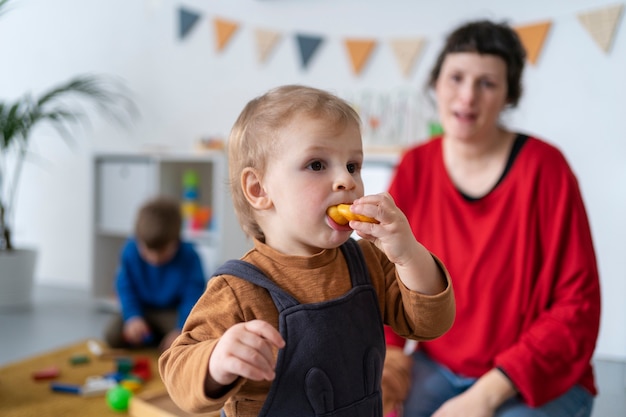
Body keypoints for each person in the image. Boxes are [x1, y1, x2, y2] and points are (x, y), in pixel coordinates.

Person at [158, 85, 456, 417]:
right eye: (317, 165)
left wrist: (408, 254)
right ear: (259, 190)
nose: (346, 179)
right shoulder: (238, 290)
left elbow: (432, 323)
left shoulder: (368, 262)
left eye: (353, 165)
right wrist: (216, 361)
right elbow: (177, 370)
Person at [382, 20, 601, 417]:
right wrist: (387, 362)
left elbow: (578, 306)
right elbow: (386, 274)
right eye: (456, 78)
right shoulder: (415, 166)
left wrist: (485, 395)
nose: (467, 96)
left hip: (532, 375)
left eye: (487, 83)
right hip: (438, 366)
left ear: (508, 96)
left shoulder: (547, 169)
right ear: (436, 84)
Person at [104, 195, 207, 353]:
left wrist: (181, 328)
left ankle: (161, 340)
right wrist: (133, 317)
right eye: (147, 251)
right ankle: (154, 340)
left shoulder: (190, 256)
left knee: (194, 336)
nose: (154, 258)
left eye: (163, 251)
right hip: (143, 310)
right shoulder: (130, 251)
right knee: (112, 335)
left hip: (172, 313)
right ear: (138, 240)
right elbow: (125, 287)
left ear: (177, 240)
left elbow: (192, 297)